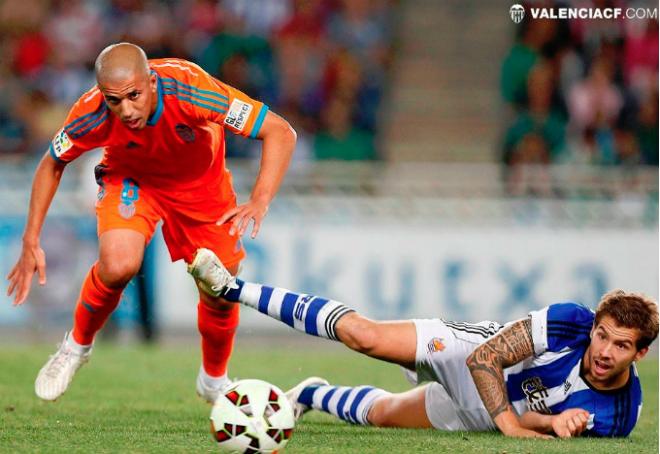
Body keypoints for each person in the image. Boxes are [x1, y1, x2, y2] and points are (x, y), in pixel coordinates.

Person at [5, 43, 296, 403]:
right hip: (133, 179)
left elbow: (280, 131)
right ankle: (75, 347)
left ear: (152, 82)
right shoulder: (90, 112)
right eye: (115, 101)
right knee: (119, 264)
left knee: (219, 290)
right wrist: (31, 238)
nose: (126, 110)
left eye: (134, 96)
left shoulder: (193, 88)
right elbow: (52, 162)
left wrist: (261, 199)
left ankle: (213, 379)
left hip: (201, 187)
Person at [197, 254, 657, 438]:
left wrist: (550, 422)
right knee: (365, 336)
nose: (603, 351)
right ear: (593, 325)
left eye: (620, 346)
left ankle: (310, 394)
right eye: (602, 336)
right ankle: (232, 288)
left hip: (488, 416)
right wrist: (515, 430)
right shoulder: (569, 323)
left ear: (640, 354)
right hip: (468, 358)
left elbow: (538, 420)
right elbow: (486, 357)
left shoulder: (622, 414)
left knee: (382, 414)